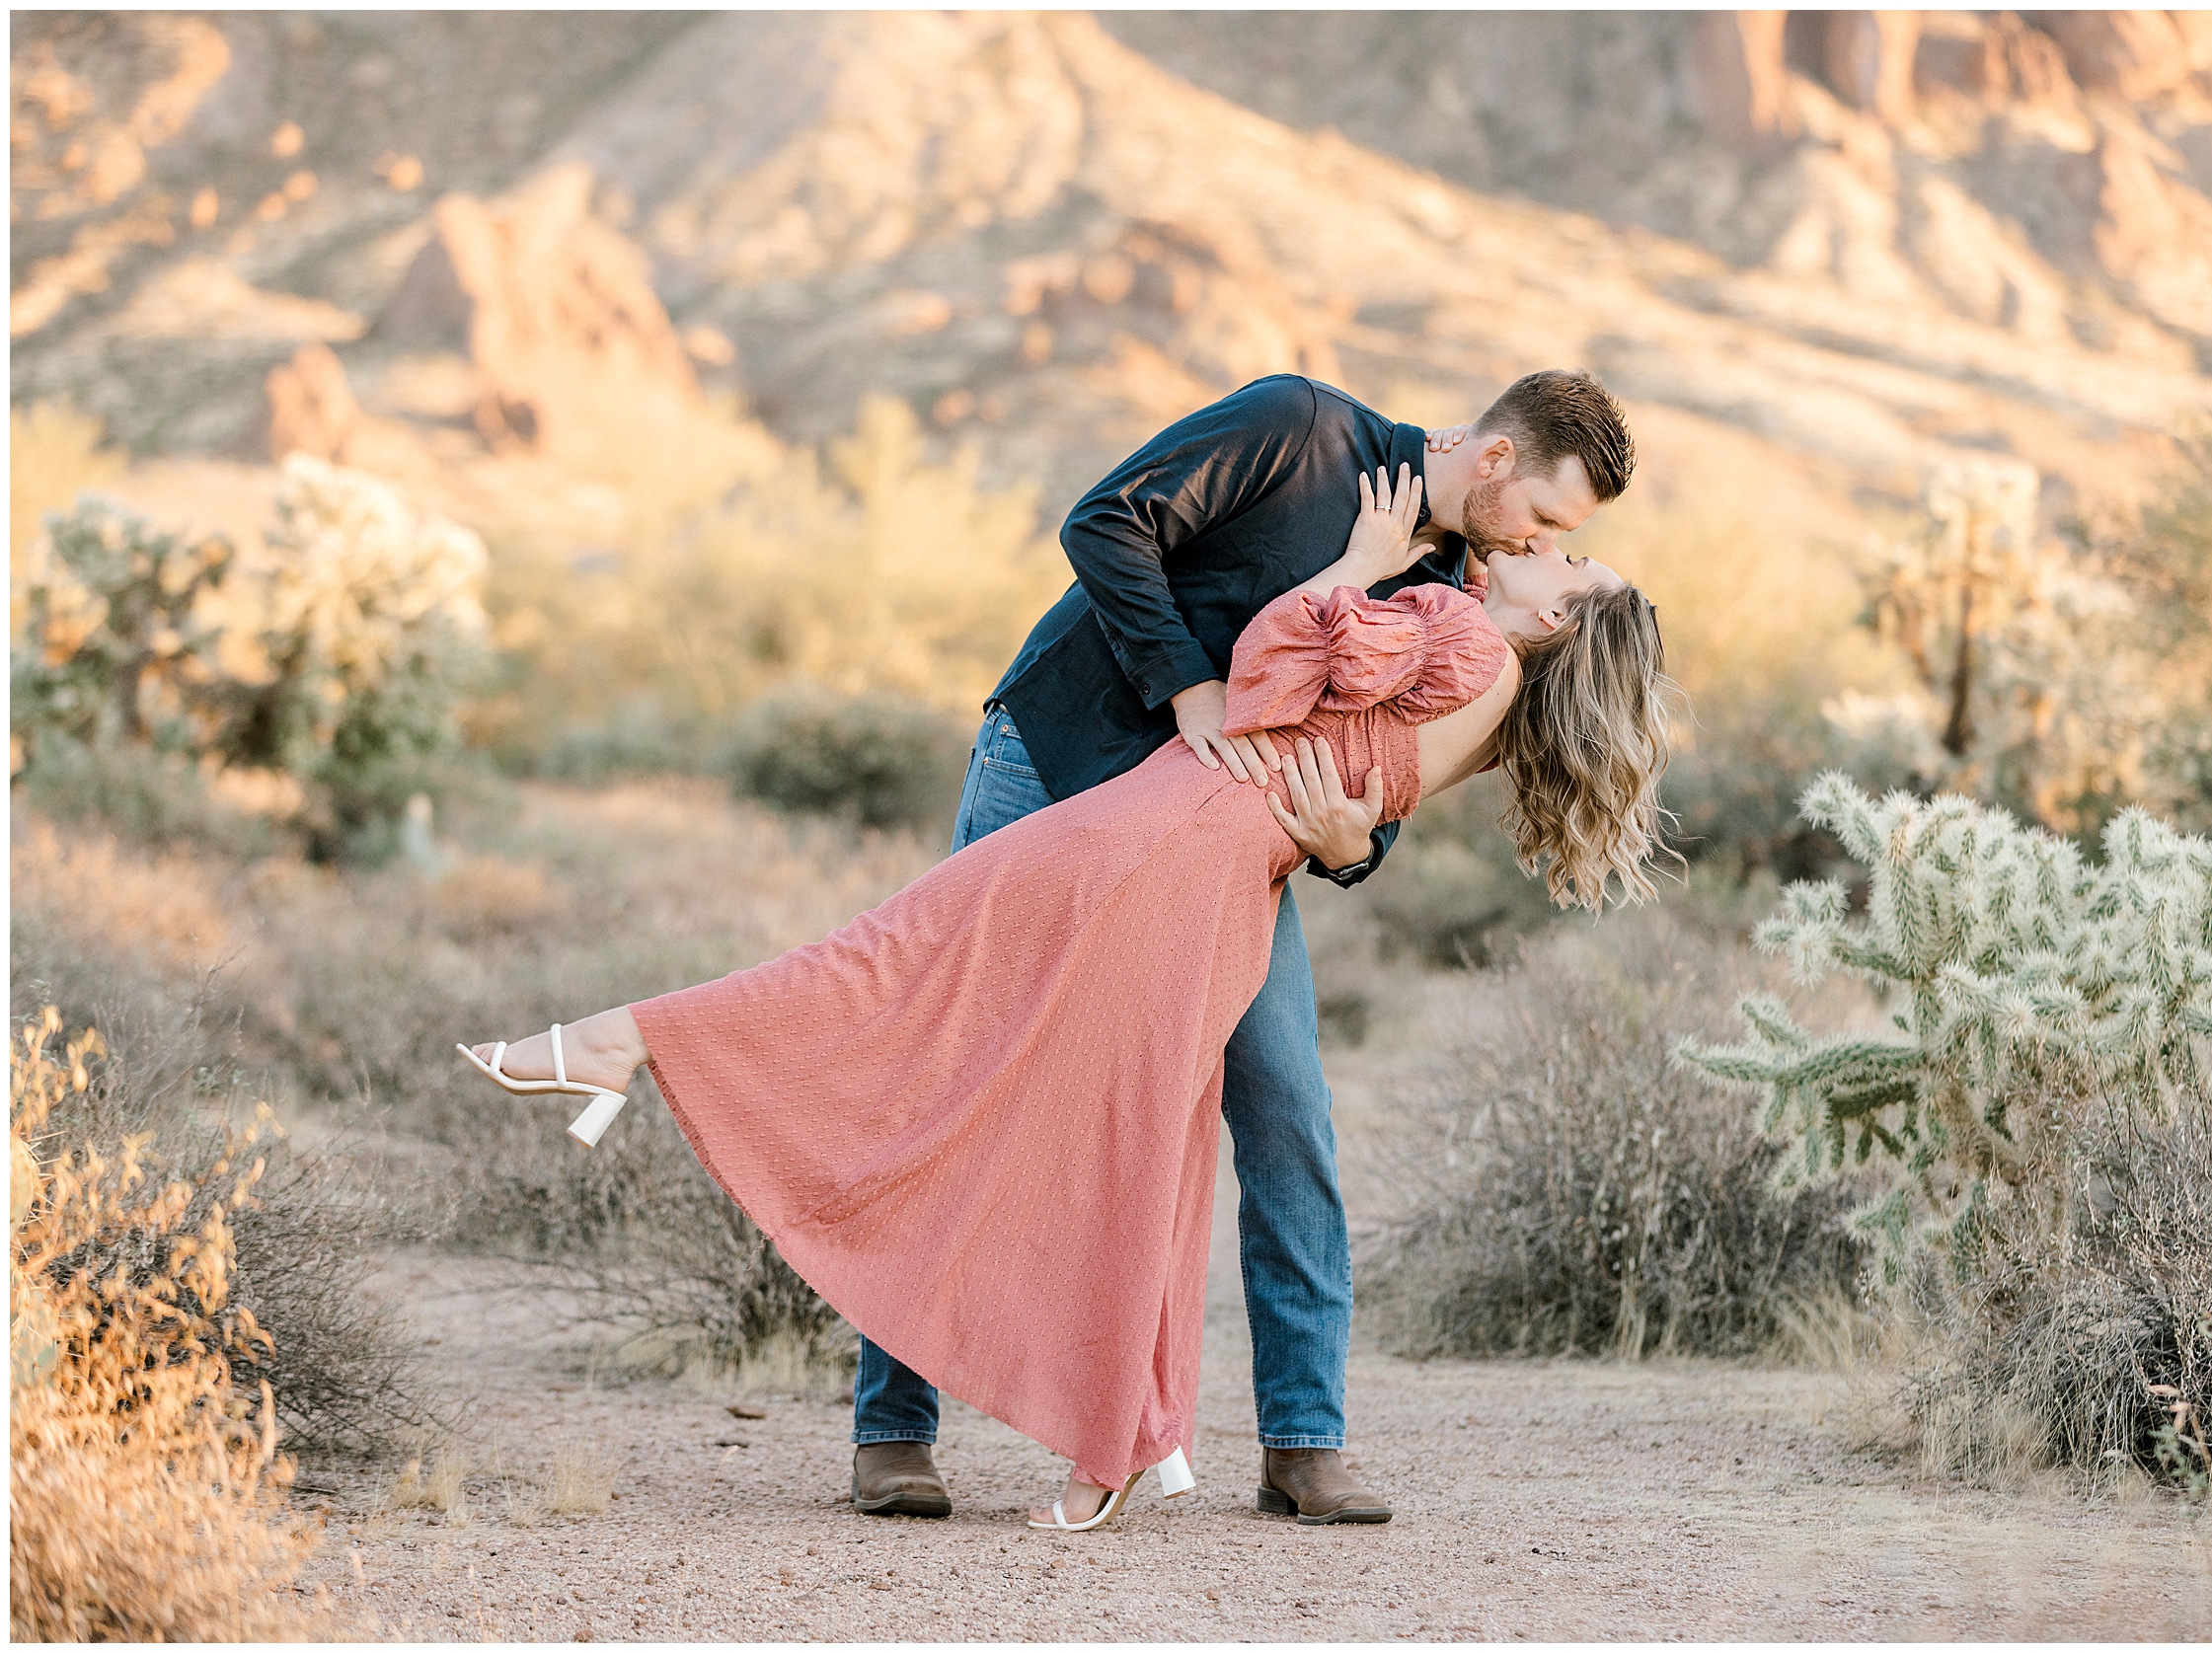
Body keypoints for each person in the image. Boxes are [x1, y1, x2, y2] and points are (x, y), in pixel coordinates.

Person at [459, 456, 1672, 1531]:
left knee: (902, 978)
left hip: (1161, 842)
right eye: (1553, 527)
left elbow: (1263, 686)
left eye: (1565, 554)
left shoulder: (1461, 637)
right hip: (1185, 850)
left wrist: (1354, 569)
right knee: (1135, 1134)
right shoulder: (1464, 645)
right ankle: (1097, 1439)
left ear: (1560, 614)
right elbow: (1309, 727)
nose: (1536, 549)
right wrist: (1341, 802)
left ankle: (629, 1044)